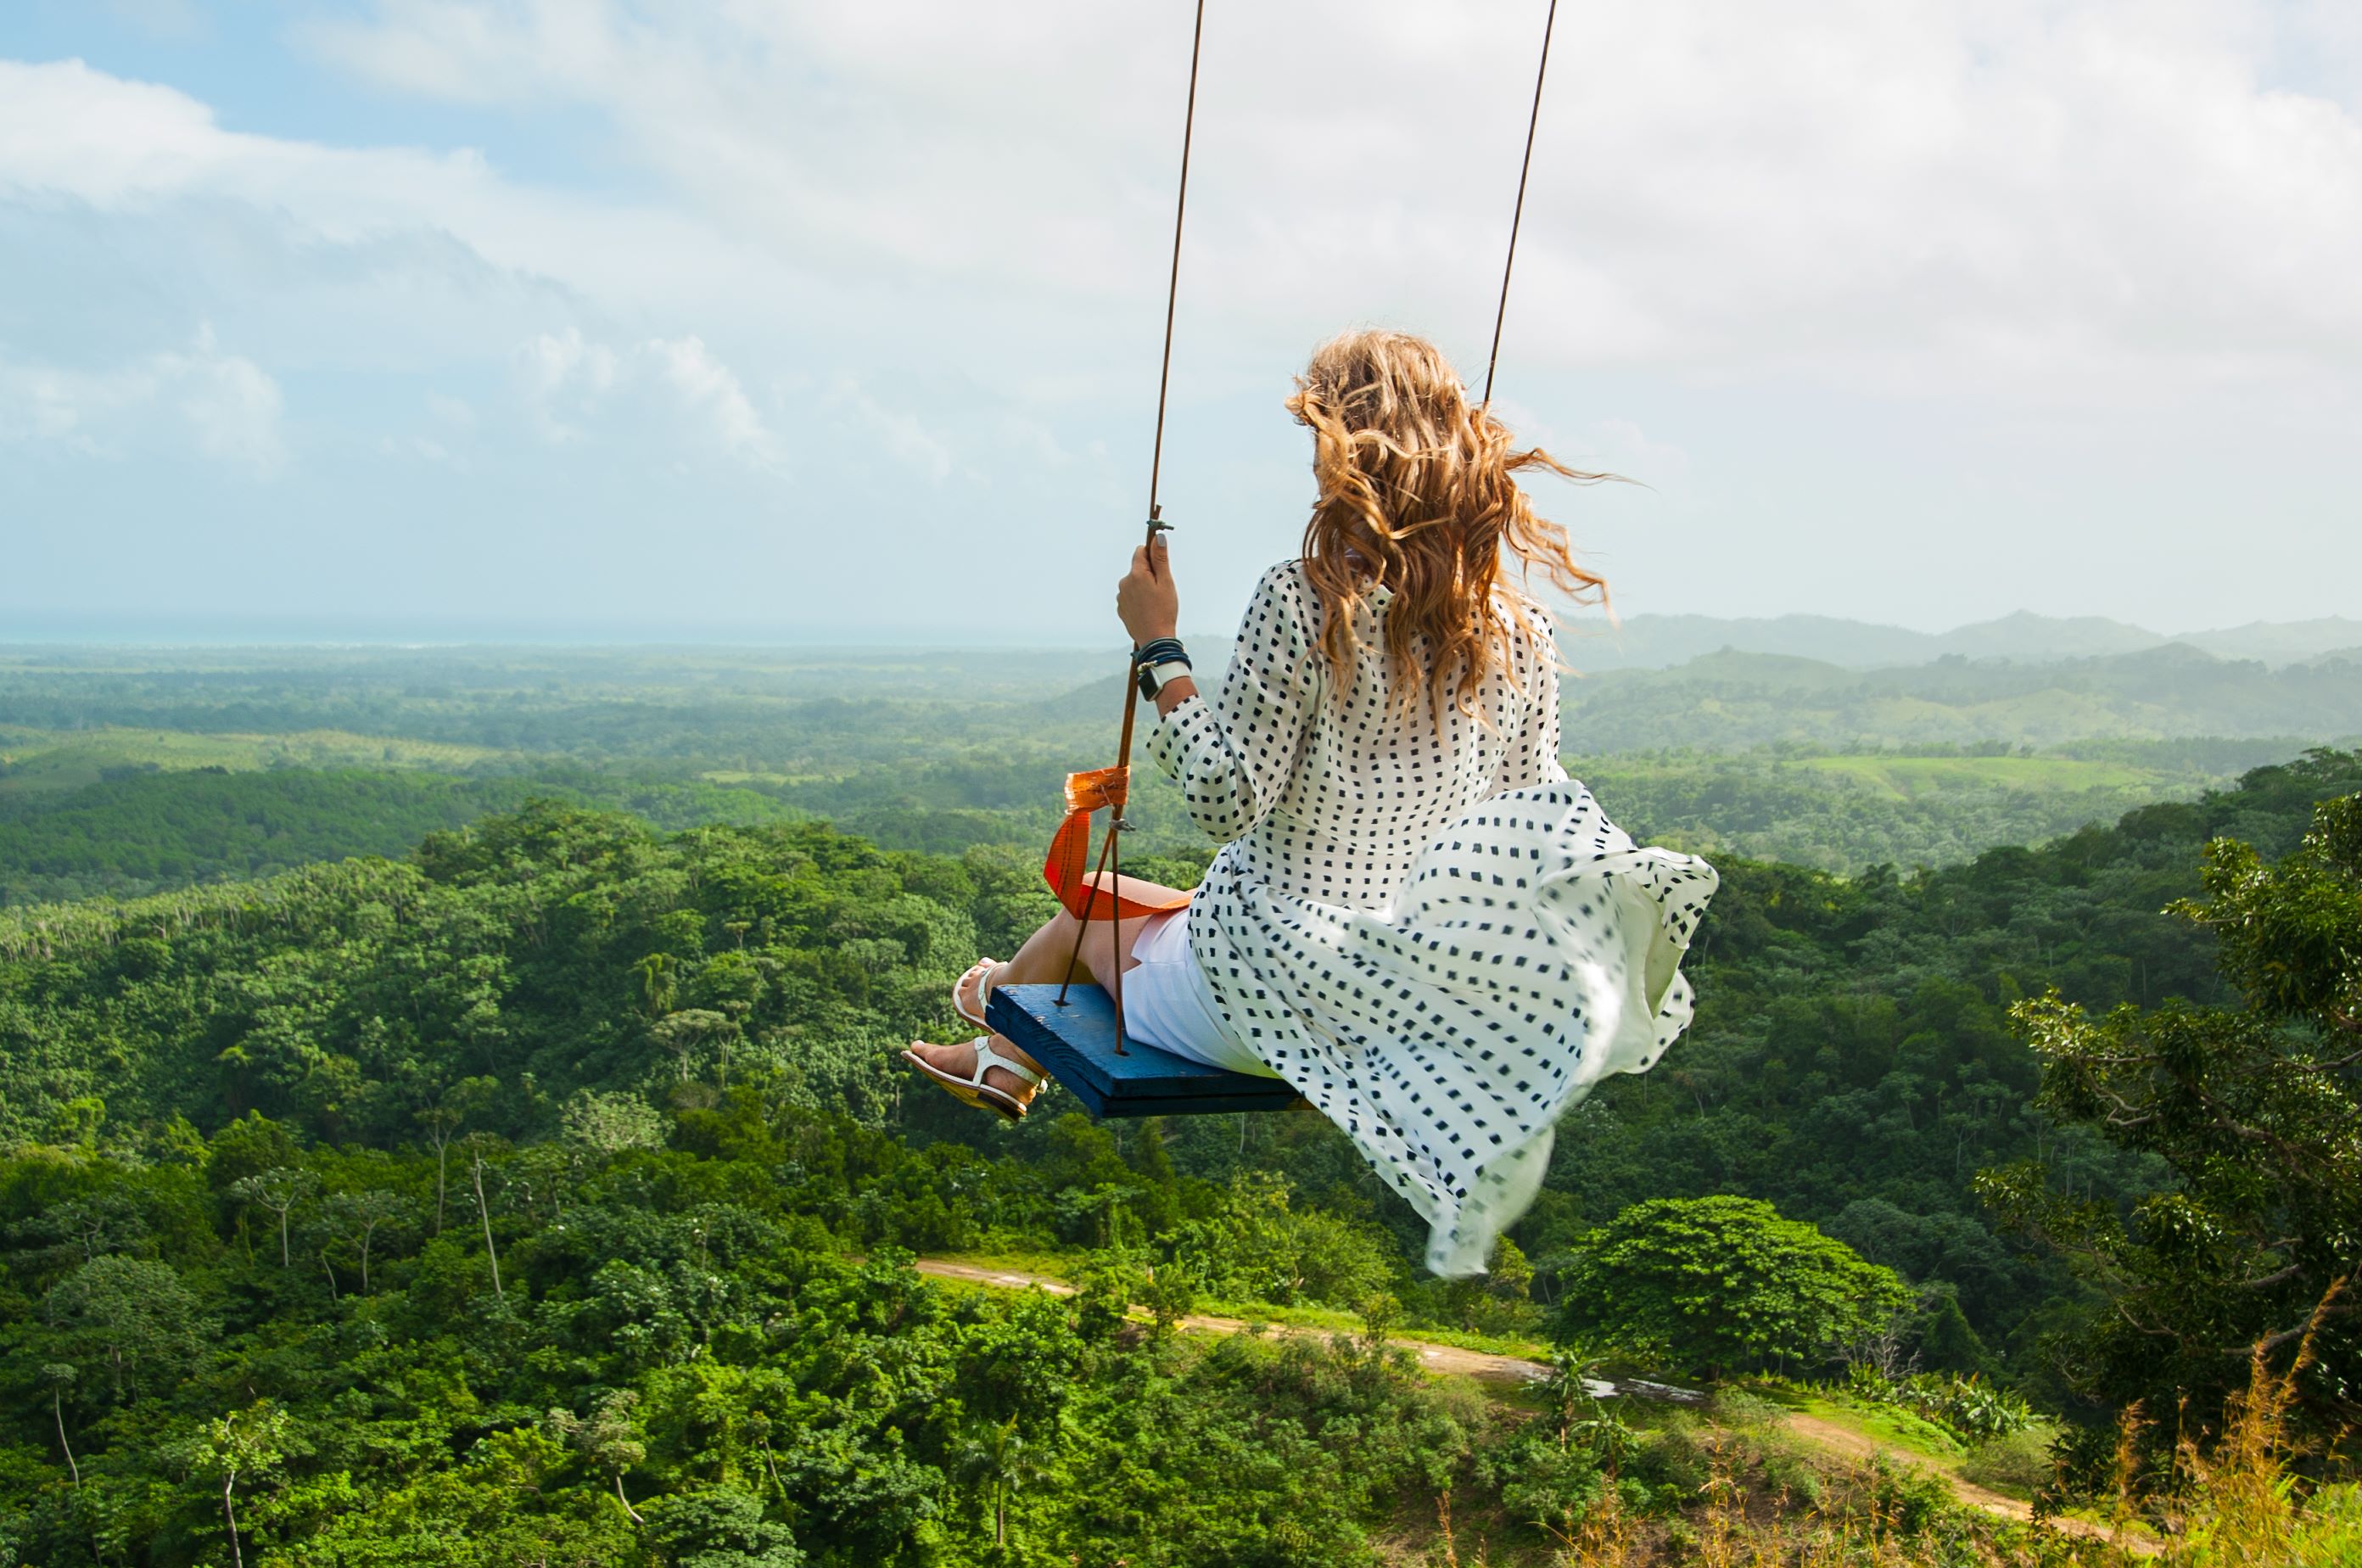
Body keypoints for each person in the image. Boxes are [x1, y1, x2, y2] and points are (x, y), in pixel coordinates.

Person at [905, 328, 1717, 1274]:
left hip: (1266, 988)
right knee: (1142, 908)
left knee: (1085, 919)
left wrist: (1158, 648)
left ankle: (1004, 1020)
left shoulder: (1306, 601)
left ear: (1345, 459)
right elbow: (1521, 832)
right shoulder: (1520, 634)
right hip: (1400, 994)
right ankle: (1003, 1057)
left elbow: (1223, 798)